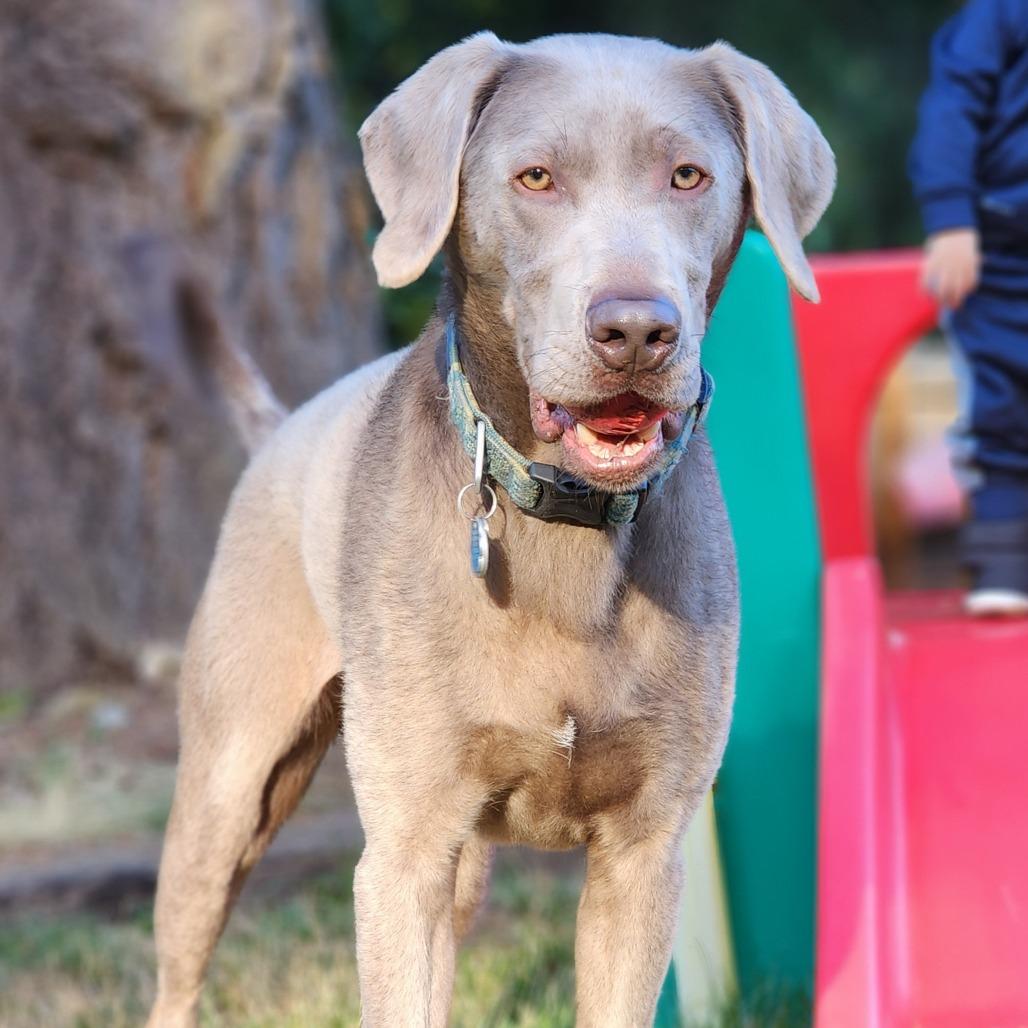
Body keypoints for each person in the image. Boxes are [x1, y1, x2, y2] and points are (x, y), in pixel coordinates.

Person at [909, 0, 1028, 615]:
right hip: (1006, 249)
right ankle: (1006, 568)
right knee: (999, 412)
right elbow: (953, 107)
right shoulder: (1001, 15)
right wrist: (952, 216)